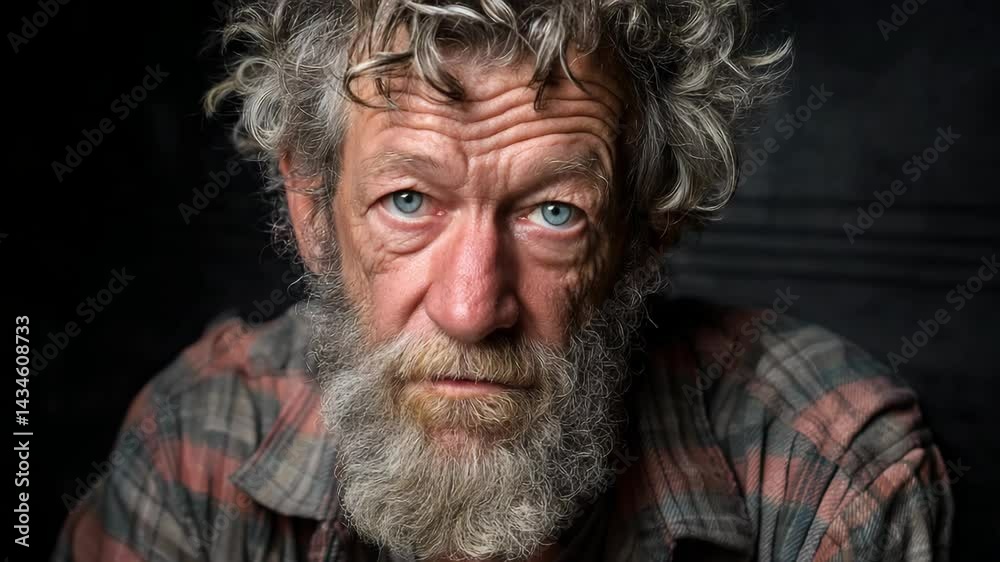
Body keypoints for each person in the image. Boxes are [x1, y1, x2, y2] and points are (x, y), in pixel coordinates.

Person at [54, 1, 953, 560]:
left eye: (554, 211)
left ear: (645, 232)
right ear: (311, 206)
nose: (471, 307)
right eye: (408, 199)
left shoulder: (832, 480)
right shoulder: (192, 446)